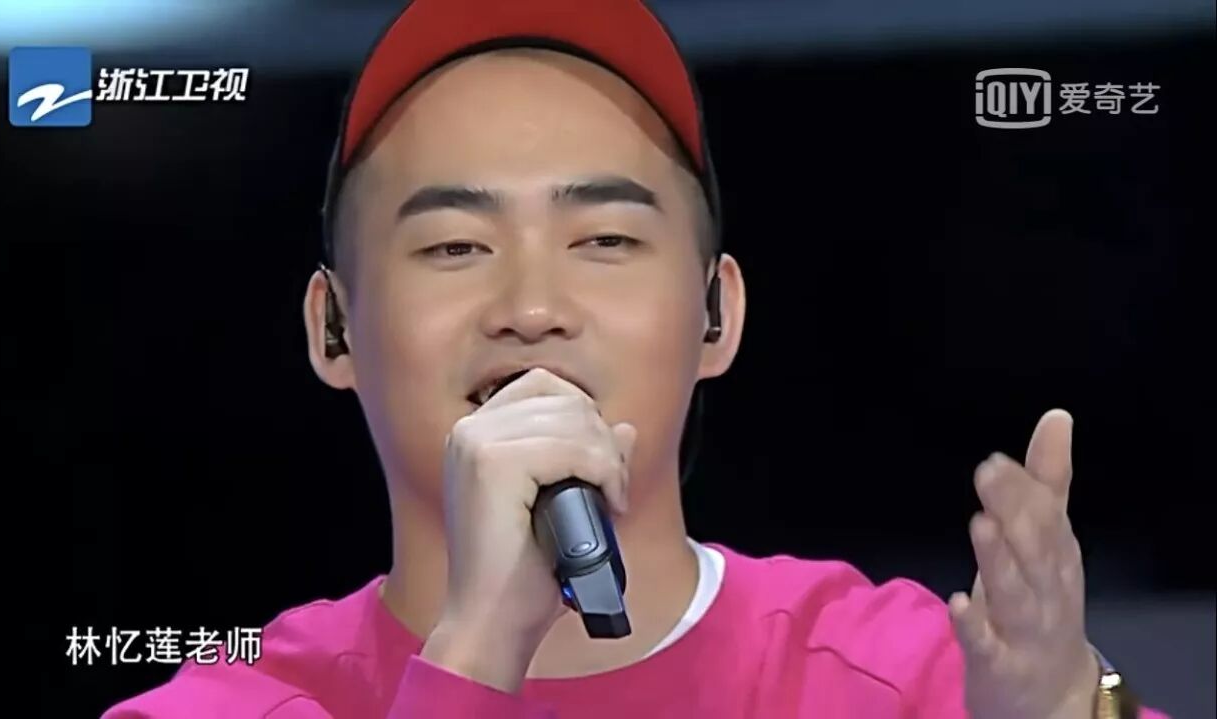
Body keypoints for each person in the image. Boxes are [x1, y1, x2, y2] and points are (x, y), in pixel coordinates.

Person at [101, 0, 1168, 716]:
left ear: (716, 314)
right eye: (454, 246)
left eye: (605, 240)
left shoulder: (903, 674)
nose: (531, 307)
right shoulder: (227, 704)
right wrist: (474, 654)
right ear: (332, 328)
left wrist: (1071, 708)